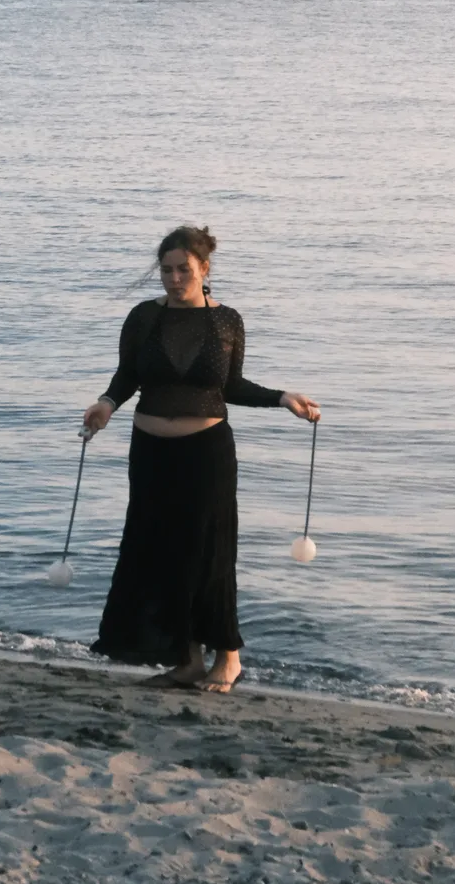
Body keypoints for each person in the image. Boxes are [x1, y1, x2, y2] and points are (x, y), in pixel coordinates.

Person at [84, 225, 319, 692]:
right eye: (166, 270)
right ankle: (188, 659)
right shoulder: (142, 318)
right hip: (150, 453)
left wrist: (281, 398)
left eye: (183, 270)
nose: (174, 279)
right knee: (160, 554)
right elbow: (127, 376)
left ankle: (228, 658)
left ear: (204, 269)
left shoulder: (226, 321)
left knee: (209, 555)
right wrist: (106, 405)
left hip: (206, 454)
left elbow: (231, 386)